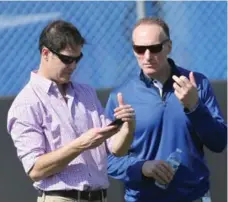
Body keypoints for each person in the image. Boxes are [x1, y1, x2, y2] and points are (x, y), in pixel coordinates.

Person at [7, 20, 136, 202]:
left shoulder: (87, 93)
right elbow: (35, 170)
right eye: (67, 59)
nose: (73, 65)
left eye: (78, 59)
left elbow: (116, 149)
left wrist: (127, 127)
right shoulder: (26, 103)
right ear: (45, 53)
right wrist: (81, 144)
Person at [105, 17, 227, 202]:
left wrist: (194, 106)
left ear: (168, 47)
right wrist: (143, 167)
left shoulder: (197, 84)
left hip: (194, 197)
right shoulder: (121, 96)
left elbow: (219, 142)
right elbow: (107, 159)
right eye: (140, 49)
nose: (147, 56)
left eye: (154, 48)